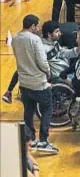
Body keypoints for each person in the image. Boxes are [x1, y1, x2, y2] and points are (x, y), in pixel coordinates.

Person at [2, 20, 80, 104]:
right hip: (59, 76)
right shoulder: (42, 48)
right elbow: (40, 65)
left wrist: (78, 50)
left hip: (64, 70)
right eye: (57, 31)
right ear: (49, 34)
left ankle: (10, 92)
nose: (60, 33)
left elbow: (64, 53)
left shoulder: (54, 42)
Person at [12, 15, 58, 154]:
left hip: (24, 83)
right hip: (39, 82)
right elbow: (42, 61)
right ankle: (43, 140)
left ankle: (30, 139)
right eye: (37, 26)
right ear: (32, 26)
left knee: (28, 111)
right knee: (47, 110)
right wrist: (48, 72)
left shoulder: (14, 38)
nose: (38, 29)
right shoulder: (35, 40)